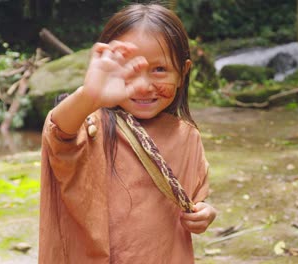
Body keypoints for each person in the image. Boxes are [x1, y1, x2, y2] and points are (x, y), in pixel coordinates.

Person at [39, 3, 216, 263]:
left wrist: (205, 214)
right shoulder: (89, 127)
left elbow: (195, 200)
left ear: (183, 72)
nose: (143, 86)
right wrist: (89, 96)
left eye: (159, 70)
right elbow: (58, 132)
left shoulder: (188, 137)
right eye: (130, 69)